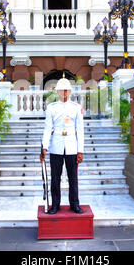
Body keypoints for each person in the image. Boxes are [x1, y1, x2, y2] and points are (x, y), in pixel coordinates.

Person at [40, 75, 84, 214]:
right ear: (57, 91)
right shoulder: (51, 108)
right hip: (56, 146)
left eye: (66, 90)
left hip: (71, 146)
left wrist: (80, 150)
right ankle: (55, 205)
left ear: (70, 92)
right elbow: (47, 129)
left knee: (73, 178)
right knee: (55, 179)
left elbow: (80, 131)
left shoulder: (76, 108)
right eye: (61, 90)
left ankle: (74, 204)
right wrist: (44, 147)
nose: (64, 93)